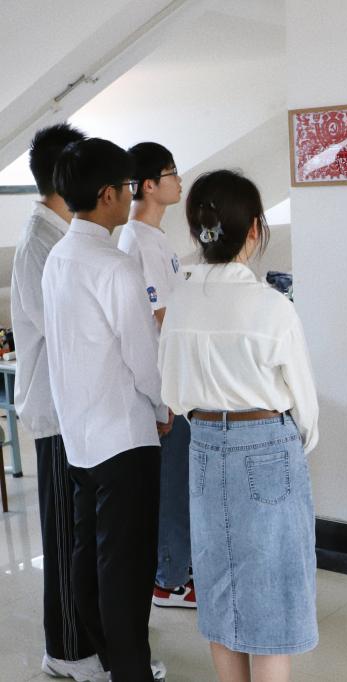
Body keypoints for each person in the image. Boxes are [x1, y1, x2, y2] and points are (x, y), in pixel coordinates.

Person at [159, 169, 320, 682]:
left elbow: (171, 392)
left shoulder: (179, 301)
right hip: (267, 444)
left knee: (218, 583)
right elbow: (305, 407)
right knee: (274, 594)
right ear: (254, 229)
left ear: (196, 230)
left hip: (204, 446)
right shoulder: (271, 305)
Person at [43, 137, 170, 681]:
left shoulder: (59, 257)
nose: (129, 195)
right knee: (127, 568)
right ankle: (131, 671)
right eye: (125, 186)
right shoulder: (114, 267)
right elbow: (144, 358)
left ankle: (113, 661)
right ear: (107, 195)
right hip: (124, 437)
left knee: (90, 560)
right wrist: (164, 405)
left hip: (80, 435)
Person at [11, 123, 108, 681]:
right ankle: (65, 652)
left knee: (82, 536)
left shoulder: (61, 234)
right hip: (55, 415)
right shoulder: (40, 245)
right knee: (66, 536)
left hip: (79, 411)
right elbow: (69, 329)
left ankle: (88, 642)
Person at [118, 141, 195, 610]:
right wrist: (165, 398)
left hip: (176, 379)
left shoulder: (157, 237)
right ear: (148, 184)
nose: (179, 180)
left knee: (179, 480)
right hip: (162, 384)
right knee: (170, 484)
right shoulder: (136, 241)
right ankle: (168, 579)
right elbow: (158, 319)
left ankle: (176, 566)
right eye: (171, 172)